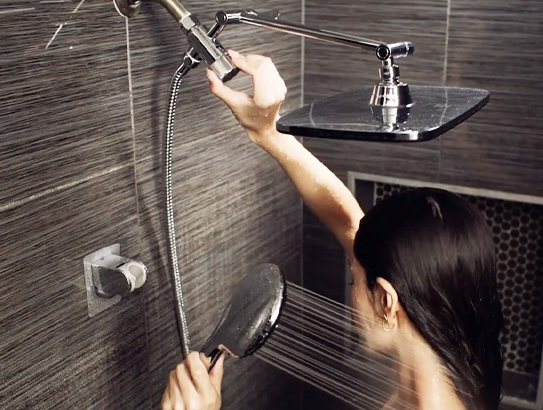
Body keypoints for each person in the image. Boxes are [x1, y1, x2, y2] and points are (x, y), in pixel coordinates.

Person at [161, 50, 503, 410]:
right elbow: (350, 222)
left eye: (353, 281)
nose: (351, 292)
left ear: (388, 300)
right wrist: (267, 130)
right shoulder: (461, 363)